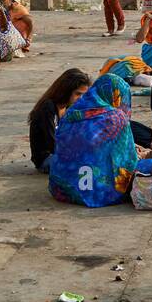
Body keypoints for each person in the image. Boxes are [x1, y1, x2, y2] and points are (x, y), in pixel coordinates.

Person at [47, 73, 139, 207]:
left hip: (62, 187)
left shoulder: (72, 112)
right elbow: (127, 160)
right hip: (98, 192)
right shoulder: (117, 118)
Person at [28, 68, 91, 173]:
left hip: (62, 153)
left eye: (83, 95)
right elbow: (52, 143)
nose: (81, 98)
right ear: (66, 91)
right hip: (47, 158)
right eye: (78, 94)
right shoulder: (48, 107)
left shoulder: (68, 106)